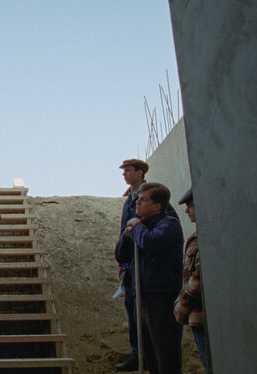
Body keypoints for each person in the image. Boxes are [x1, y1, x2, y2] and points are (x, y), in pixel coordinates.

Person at [113, 159, 178, 372]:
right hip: (142, 289)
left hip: (160, 293)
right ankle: (136, 354)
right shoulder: (136, 215)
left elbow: (152, 242)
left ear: (157, 206)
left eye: (142, 200)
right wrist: (127, 234)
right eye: (137, 200)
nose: (137, 204)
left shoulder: (168, 223)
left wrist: (136, 228)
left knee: (164, 350)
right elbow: (121, 253)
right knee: (147, 344)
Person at [174, 188, 210, 372]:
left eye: (190, 206)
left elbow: (196, 282)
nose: (187, 211)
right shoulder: (198, 236)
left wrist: (181, 307)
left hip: (203, 315)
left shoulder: (206, 238)